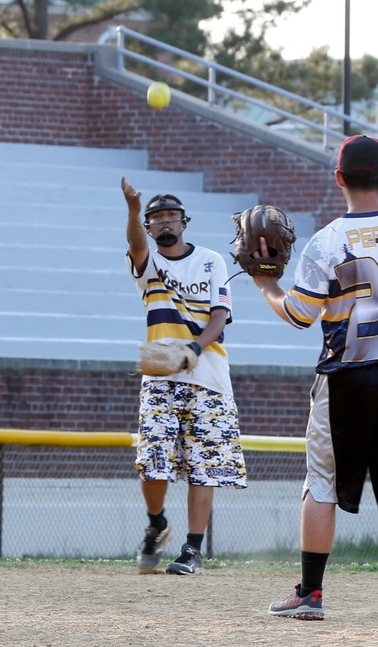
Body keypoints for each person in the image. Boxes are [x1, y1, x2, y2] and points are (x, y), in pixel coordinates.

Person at [249, 135, 378, 621]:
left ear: (339, 178)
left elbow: (299, 315)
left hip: (346, 377)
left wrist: (267, 284)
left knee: (321, 484)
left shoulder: (327, 242)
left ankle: (311, 594)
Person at [120, 177, 248, 576]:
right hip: (159, 372)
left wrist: (194, 349)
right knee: (152, 461)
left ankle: (192, 550)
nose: (164, 223)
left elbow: (220, 316)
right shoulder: (148, 261)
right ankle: (157, 522)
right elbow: (137, 245)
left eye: (171, 216)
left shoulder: (211, 260)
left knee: (203, 465)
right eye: (156, 218)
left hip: (207, 373)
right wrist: (132, 210)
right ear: (149, 226)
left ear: (183, 221)